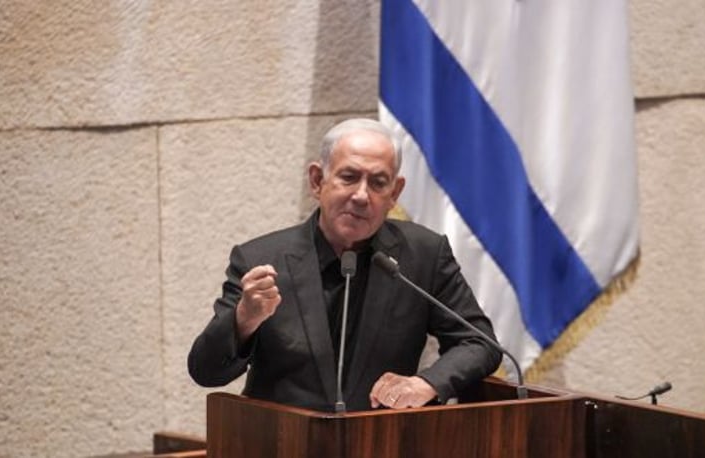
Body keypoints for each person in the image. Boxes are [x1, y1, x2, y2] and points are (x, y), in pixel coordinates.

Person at [187, 118, 501, 412]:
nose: (362, 195)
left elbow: (479, 343)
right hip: (285, 442)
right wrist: (244, 319)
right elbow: (206, 371)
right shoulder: (261, 260)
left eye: (378, 182)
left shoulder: (423, 254)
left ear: (395, 193)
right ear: (317, 180)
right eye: (349, 177)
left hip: (383, 443)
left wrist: (426, 383)